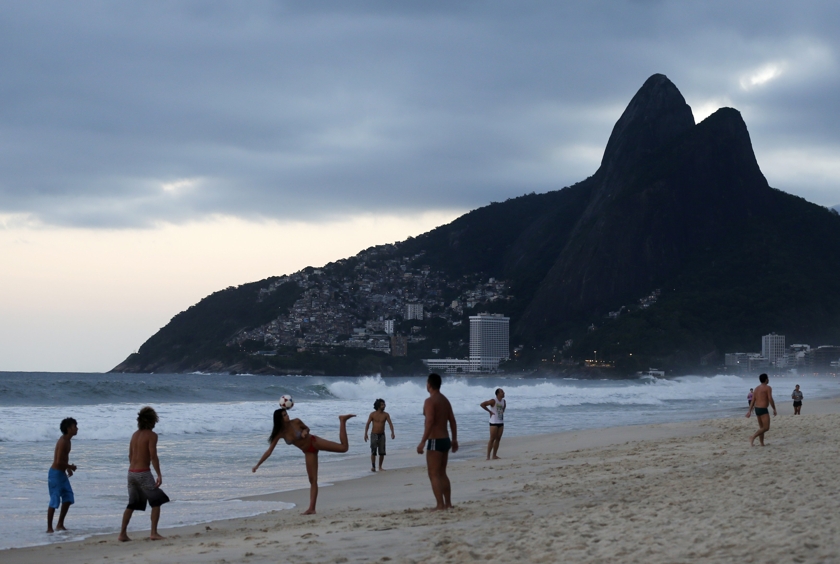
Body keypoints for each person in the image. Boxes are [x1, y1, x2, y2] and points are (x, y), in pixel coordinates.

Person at [253, 408, 355, 515]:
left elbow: (307, 428)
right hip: (308, 452)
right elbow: (269, 451)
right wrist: (258, 465)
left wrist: (304, 431)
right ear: (280, 419)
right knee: (312, 480)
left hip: (314, 442)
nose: (287, 416)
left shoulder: (296, 421)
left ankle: (342, 421)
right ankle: (312, 508)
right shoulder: (281, 433)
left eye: (286, 414)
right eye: (284, 415)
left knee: (344, 448)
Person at [118, 406, 170, 542]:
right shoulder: (152, 435)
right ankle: (153, 532)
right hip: (143, 473)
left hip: (131, 473)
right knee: (156, 501)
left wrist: (134, 469)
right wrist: (159, 474)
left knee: (132, 503)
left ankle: (122, 534)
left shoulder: (135, 435)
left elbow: (130, 455)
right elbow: (153, 456)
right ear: (152, 421)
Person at [416, 373, 458, 510]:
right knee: (442, 473)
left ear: (429, 384)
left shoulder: (430, 401)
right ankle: (448, 503)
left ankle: (440, 505)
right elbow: (452, 420)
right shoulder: (445, 400)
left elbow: (429, 421)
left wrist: (423, 441)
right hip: (446, 439)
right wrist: (454, 439)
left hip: (435, 440)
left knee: (433, 474)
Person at [47, 417, 78, 533]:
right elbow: (58, 461)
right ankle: (49, 528)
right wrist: (70, 467)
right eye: (75, 426)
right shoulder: (63, 442)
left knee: (68, 497)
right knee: (54, 499)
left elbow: (64, 458)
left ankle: (60, 524)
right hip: (55, 474)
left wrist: (67, 469)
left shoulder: (68, 441)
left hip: (61, 473)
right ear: (68, 428)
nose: (77, 429)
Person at [364, 398, 395, 472]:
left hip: (382, 435)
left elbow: (390, 423)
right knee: (373, 451)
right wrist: (365, 434)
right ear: (378, 406)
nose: (384, 405)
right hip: (374, 434)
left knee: (382, 452)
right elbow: (368, 423)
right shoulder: (372, 414)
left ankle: (380, 467)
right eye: (382, 404)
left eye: (384, 404)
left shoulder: (386, 414)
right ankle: (373, 467)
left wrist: (392, 432)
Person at [746, 374, 777, 446]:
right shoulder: (768, 388)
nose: (768, 379)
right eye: (768, 378)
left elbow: (753, 400)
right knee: (766, 427)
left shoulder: (756, 388)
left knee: (761, 428)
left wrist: (749, 411)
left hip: (757, 409)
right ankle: (753, 437)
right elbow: (770, 399)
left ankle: (762, 443)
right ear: (766, 379)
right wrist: (774, 409)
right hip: (763, 409)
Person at [480, 388, 506, 460]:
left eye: (503, 392)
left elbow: (503, 409)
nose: (504, 393)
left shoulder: (504, 401)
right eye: (502, 392)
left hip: (501, 422)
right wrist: (489, 412)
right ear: (498, 394)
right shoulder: (493, 401)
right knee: (492, 439)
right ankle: (488, 456)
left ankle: (494, 455)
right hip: (493, 422)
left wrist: (501, 413)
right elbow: (482, 404)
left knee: (498, 439)